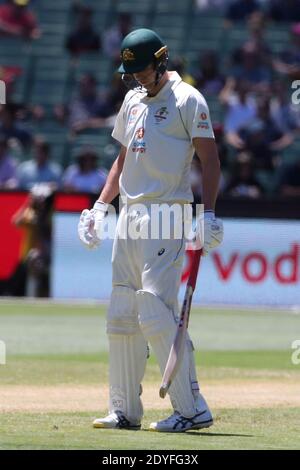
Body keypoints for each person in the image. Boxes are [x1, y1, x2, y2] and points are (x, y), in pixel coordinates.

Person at [78, 29, 223, 432]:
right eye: (131, 71)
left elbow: (210, 161)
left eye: (142, 69)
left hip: (168, 214)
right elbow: (122, 159)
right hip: (130, 215)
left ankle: (191, 409)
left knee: (156, 312)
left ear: (161, 62)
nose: (137, 77)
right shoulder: (132, 99)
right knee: (122, 311)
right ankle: (124, 411)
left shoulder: (188, 100)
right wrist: (100, 206)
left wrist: (207, 214)